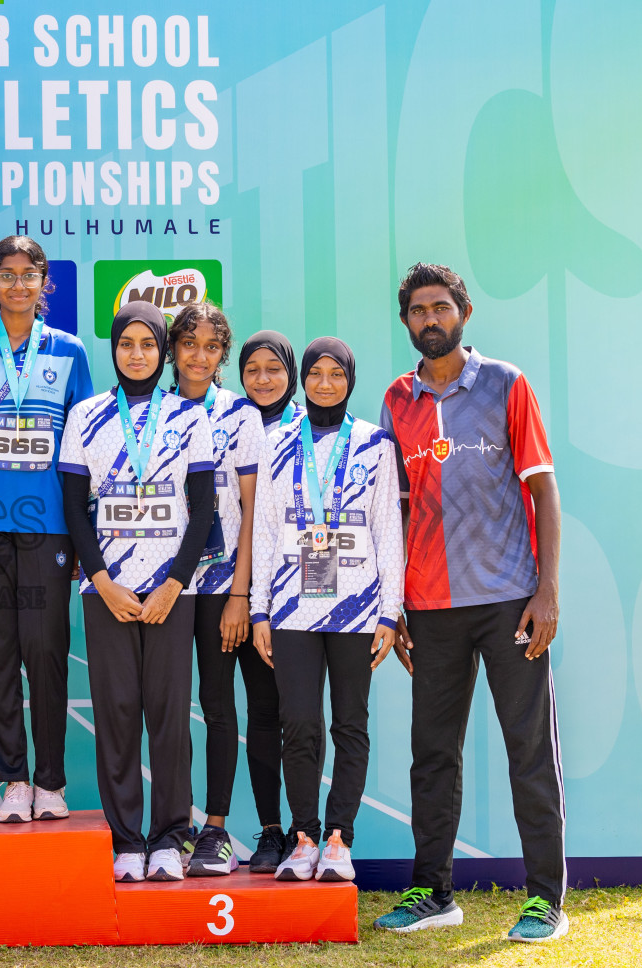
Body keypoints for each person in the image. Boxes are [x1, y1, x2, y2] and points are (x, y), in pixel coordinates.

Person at [372, 264, 566, 942]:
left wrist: (546, 592)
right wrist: (392, 608)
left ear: (464, 312)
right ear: (406, 323)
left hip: (510, 600)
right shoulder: (396, 400)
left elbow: (542, 490)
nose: (430, 319)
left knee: (528, 750)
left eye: (440, 307)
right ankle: (433, 892)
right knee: (433, 754)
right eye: (418, 311)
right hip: (429, 607)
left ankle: (546, 900)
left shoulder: (507, 384)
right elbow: (388, 513)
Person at [59, 301, 216, 882]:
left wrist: (174, 584)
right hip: (107, 591)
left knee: (171, 717)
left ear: (164, 350)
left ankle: (172, 836)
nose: (137, 354)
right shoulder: (86, 415)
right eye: (126, 343)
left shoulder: (188, 416)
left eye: (148, 344)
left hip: (174, 592)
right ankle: (127, 840)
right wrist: (101, 580)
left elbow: (204, 510)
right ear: (114, 349)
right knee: (118, 714)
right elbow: (75, 508)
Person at [0, 236, 93, 824]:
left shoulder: (70, 350)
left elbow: (82, 449)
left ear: (44, 284)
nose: (17, 285)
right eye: (5, 275)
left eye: (28, 275)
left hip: (50, 525)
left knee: (46, 649)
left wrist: (83, 534)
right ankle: (12, 780)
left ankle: (50, 782)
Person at [249, 338, 402, 885]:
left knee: (349, 724)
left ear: (350, 380)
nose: (325, 383)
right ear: (303, 381)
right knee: (298, 724)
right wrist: (259, 609)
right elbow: (265, 530)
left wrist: (390, 612)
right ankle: (304, 837)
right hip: (291, 608)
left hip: (357, 606)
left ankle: (339, 839)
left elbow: (389, 531)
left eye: (337, 373)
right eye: (316, 373)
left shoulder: (374, 444)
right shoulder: (277, 443)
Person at [168, 303, 284, 876]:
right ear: (173, 349)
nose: (199, 355)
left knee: (217, 705)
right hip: (162, 585)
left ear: (221, 355)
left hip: (219, 586)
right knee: (166, 707)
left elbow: (252, 509)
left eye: (212, 346)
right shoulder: (154, 411)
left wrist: (240, 595)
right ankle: (172, 826)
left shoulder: (240, 415)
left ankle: (214, 828)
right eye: (189, 343)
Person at [240, 330, 303, 432]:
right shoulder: (231, 422)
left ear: (290, 372)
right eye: (252, 370)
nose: (262, 380)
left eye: (273, 369)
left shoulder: (307, 424)